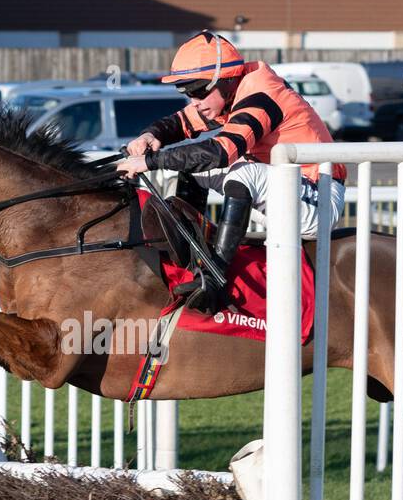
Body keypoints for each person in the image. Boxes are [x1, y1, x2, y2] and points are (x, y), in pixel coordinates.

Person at [115, 30, 347, 314]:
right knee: (193, 170)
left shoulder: (261, 93)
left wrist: (151, 162)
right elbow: (180, 123)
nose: (194, 101)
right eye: (188, 92)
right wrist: (151, 136)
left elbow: (222, 151)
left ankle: (215, 278)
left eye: (199, 91)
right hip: (285, 192)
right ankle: (192, 260)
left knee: (240, 173)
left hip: (317, 199)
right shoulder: (230, 92)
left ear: (225, 81)